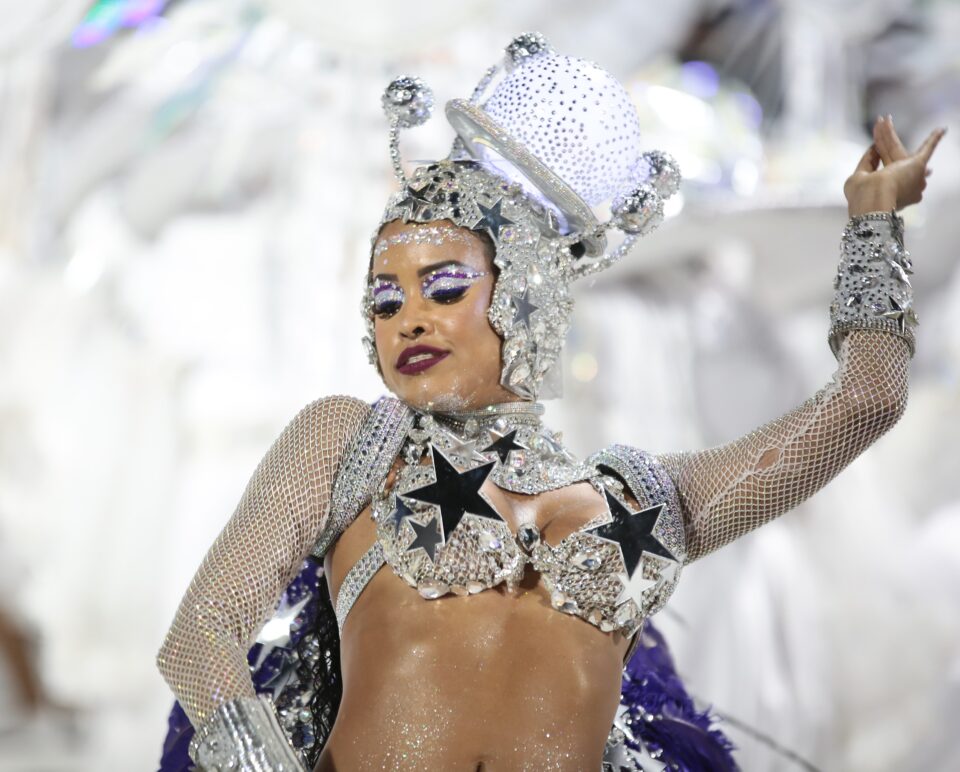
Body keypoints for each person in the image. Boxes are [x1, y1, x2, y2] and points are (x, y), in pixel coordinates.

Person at [155, 33, 944, 771]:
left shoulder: (644, 501)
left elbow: (866, 401)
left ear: (524, 291)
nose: (408, 319)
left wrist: (874, 225)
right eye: (385, 300)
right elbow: (200, 636)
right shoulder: (355, 446)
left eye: (444, 287)